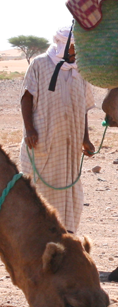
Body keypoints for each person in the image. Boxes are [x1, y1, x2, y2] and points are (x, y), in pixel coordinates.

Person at [20, 26, 96, 233]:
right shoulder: (39, 64)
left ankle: (66, 234)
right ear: (62, 46)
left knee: (71, 194)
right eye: (73, 47)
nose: (76, 52)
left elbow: (83, 107)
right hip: (44, 141)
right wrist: (29, 130)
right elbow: (26, 97)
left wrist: (85, 139)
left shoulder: (80, 70)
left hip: (68, 145)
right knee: (40, 193)